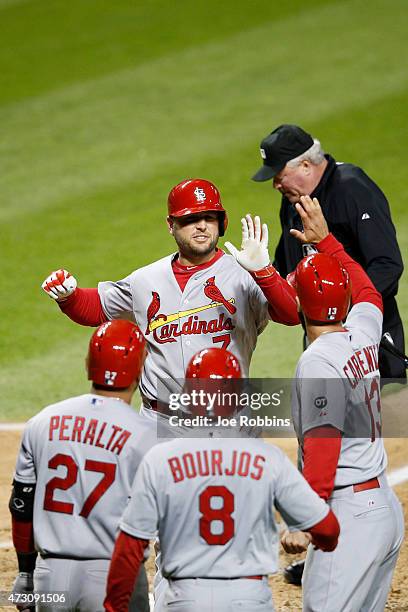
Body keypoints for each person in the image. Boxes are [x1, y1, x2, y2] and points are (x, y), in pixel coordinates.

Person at [103, 347, 340, 612]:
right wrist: (313, 537)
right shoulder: (267, 458)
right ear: (239, 397)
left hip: (184, 598)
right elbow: (328, 529)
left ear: (187, 397)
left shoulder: (159, 459)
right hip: (248, 598)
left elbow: (129, 546)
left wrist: (114, 607)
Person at [41, 178, 299, 421]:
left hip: (226, 418)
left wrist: (264, 271)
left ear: (222, 223)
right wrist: (69, 297)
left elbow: (290, 315)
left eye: (209, 217)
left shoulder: (245, 275)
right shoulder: (146, 279)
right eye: (191, 219)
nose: (201, 225)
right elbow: (97, 309)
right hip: (159, 420)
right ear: (171, 225)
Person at [281, 195, 404, 611]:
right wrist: (329, 241)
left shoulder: (317, 361)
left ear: (298, 303)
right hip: (382, 510)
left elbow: (323, 442)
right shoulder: (363, 330)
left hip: (348, 518)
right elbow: (370, 291)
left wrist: (305, 518)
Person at [9, 320, 159, 612]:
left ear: (88, 363)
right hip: (113, 576)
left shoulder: (42, 421)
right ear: (141, 369)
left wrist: (26, 573)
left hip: (50, 576)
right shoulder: (146, 436)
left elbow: (22, 504)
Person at [252, 124, 405, 381]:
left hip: (370, 337)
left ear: (305, 166)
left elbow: (387, 265)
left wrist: (338, 309)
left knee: (385, 414)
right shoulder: (294, 200)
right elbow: (288, 264)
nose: (275, 184)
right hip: (320, 340)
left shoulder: (353, 189)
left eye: (279, 174)